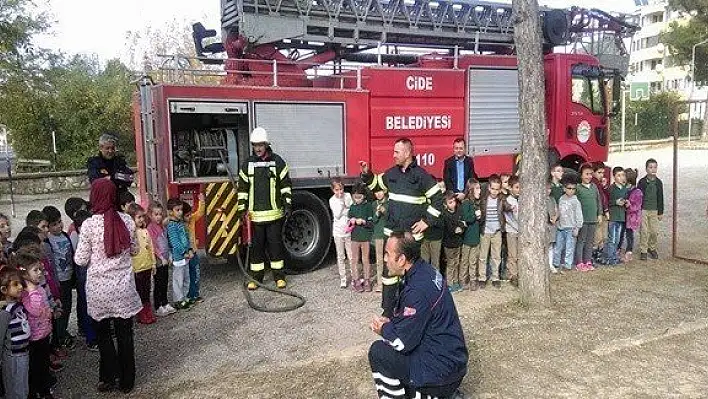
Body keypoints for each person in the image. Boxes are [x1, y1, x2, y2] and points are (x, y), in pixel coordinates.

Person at [368, 232, 467, 399]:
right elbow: (414, 320)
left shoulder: (417, 292)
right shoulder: (426, 271)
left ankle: (436, 394)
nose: (385, 259)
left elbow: (402, 343)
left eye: (388, 254)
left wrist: (383, 329)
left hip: (442, 373)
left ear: (402, 259)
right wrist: (392, 322)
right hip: (451, 362)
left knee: (379, 352)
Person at [360, 137, 444, 317]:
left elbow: (438, 200)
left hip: (410, 238)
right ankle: (388, 311)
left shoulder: (422, 176)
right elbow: (376, 184)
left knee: (409, 274)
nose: (394, 155)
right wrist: (367, 174)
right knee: (389, 274)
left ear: (407, 153)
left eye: (397, 152)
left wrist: (426, 222)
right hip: (391, 235)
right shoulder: (392, 173)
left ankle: (411, 310)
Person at [74, 178, 142, 394]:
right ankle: (127, 380)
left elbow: (81, 260)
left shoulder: (89, 225)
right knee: (125, 334)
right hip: (123, 288)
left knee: (104, 335)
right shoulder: (128, 221)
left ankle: (108, 377)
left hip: (99, 290)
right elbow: (135, 251)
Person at [237, 127, 292, 290]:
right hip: (255, 217)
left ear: (266, 144)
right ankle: (256, 278)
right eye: (255, 145)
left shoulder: (278, 162)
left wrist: (287, 204)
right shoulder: (248, 164)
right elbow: (242, 189)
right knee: (256, 250)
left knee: (276, 248)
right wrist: (242, 209)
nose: (258, 148)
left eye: (261, 145)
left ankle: (279, 277)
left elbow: (286, 186)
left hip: (275, 216)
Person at [15, 247, 54, 399]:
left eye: (40, 269)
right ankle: (34, 392)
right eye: (36, 270)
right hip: (33, 338)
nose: (40, 273)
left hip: (44, 333)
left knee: (44, 365)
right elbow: (35, 311)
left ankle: (45, 391)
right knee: (34, 368)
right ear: (24, 273)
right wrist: (33, 291)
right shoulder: (26, 293)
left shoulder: (38, 288)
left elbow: (44, 307)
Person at [42, 205, 76, 350]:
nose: (58, 226)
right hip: (58, 281)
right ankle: (58, 337)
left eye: (59, 222)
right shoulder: (48, 241)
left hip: (68, 277)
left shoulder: (65, 235)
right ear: (48, 227)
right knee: (59, 309)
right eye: (54, 224)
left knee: (68, 307)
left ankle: (63, 331)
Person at [0, 266, 31, 399]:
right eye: (15, 284)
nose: (20, 287)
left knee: (22, 386)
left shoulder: (18, 306)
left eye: (20, 283)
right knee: (14, 389)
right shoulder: (5, 312)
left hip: (24, 353)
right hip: (12, 357)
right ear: (4, 289)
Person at [71, 210, 97, 350]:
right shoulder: (79, 239)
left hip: (92, 275)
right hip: (83, 275)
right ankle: (91, 337)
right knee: (86, 305)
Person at [127, 204, 157, 324]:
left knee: (146, 290)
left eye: (142, 217)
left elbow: (151, 248)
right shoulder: (130, 234)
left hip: (147, 266)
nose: (141, 220)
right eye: (139, 217)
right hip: (136, 268)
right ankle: (141, 314)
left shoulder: (145, 231)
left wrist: (153, 263)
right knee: (139, 292)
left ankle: (148, 311)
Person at [477, 175, 506, 288]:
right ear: (489, 188)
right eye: (493, 188)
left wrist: (512, 207)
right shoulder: (484, 200)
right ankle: (482, 277)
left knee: (496, 255)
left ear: (500, 189)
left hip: (497, 231)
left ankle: (495, 277)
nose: (494, 191)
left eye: (497, 189)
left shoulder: (501, 199)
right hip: (486, 231)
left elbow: (506, 207)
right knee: (483, 255)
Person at [147, 202, 175, 317]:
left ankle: (165, 302)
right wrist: (161, 257)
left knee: (165, 282)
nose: (158, 217)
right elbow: (153, 245)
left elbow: (166, 242)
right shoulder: (150, 228)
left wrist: (169, 256)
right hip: (158, 260)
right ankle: (158, 306)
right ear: (150, 215)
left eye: (160, 214)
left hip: (165, 259)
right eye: (156, 214)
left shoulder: (162, 226)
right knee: (158, 283)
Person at [165, 198, 192, 310]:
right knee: (178, 280)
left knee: (186, 278)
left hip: (185, 256)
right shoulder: (171, 226)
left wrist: (190, 249)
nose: (180, 212)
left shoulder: (180, 223)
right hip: (178, 257)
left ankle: (184, 297)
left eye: (181, 209)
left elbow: (186, 237)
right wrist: (183, 252)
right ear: (171, 212)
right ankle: (178, 300)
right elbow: (175, 242)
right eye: (178, 210)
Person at [575, 163, 602, 271]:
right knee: (581, 240)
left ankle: (588, 261)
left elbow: (598, 201)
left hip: (593, 219)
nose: (589, 176)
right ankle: (579, 262)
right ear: (581, 175)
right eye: (586, 174)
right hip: (582, 220)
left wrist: (599, 214)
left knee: (590, 241)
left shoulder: (594, 187)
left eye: (591, 174)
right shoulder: (578, 188)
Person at [553, 175, 583, 271]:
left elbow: (579, 215)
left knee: (569, 248)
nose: (571, 190)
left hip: (571, 228)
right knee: (558, 246)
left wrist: (577, 228)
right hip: (561, 227)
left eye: (574, 189)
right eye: (569, 188)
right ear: (564, 188)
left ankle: (568, 264)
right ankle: (556, 262)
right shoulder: (561, 199)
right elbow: (558, 211)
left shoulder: (575, 201)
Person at [348, 182, 374, 292]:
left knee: (365, 259)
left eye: (360, 197)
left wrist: (363, 222)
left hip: (365, 237)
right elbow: (349, 222)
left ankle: (367, 280)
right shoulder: (352, 207)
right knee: (354, 259)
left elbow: (371, 223)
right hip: (354, 237)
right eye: (355, 197)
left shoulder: (368, 207)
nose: (357, 199)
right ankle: (356, 280)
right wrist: (351, 221)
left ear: (364, 196)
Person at [329, 178, 354, 288]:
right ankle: (343, 279)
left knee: (351, 256)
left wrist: (346, 207)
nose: (340, 192)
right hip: (338, 232)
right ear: (333, 190)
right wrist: (343, 204)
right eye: (337, 190)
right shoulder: (332, 200)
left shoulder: (348, 195)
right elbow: (338, 214)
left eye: (341, 189)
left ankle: (354, 277)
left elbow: (352, 209)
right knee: (341, 256)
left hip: (348, 231)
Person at [638, 158, 664, 260]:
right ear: (646, 169)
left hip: (654, 210)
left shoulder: (658, 183)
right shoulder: (642, 182)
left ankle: (652, 247)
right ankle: (643, 250)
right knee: (644, 231)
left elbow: (660, 198)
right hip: (643, 210)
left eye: (655, 167)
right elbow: (638, 196)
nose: (653, 169)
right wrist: (638, 210)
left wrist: (660, 212)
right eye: (650, 167)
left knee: (654, 231)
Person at [182, 194, 205, 303]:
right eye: (187, 215)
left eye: (190, 214)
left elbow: (200, 213)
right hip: (185, 254)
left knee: (195, 274)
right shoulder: (179, 225)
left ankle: (195, 295)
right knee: (186, 276)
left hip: (194, 253)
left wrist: (202, 201)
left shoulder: (191, 220)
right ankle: (187, 296)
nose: (189, 216)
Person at [442, 191, 465, 293]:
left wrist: (460, 227)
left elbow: (462, 223)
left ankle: (455, 281)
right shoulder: (445, 215)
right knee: (451, 263)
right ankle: (450, 283)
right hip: (449, 244)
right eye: (450, 202)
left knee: (456, 262)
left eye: (454, 201)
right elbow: (450, 229)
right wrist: (457, 228)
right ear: (445, 204)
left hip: (458, 242)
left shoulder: (458, 211)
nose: (453, 204)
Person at [461, 179, 481, 290]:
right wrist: (475, 215)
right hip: (467, 238)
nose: (480, 191)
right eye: (477, 188)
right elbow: (466, 218)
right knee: (465, 261)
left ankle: (473, 280)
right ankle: (464, 280)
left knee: (473, 261)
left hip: (475, 238)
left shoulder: (476, 202)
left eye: (480, 188)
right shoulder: (466, 203)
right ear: (471, 190)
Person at [605, 167, 628, 266]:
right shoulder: (611, 189)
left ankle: (615, 256)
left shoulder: (624, 189)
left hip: (621, 217)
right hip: (613, 217)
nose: (621, 177)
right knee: (612, 239)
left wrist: (626, 203)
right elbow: (606, 202)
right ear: (614, 177)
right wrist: (615, 202)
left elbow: (626, 200)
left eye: (622, 175)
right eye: (618, 175)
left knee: (618, 239)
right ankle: (611, 258)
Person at [371, 181, 388, 293]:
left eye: (380, 191)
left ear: (385, 191)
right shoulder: (374, 204)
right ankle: (379, 283)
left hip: (387, 235)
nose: (378, 194)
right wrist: (376, 214)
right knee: (379, 260)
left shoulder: (390, 203)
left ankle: (389, 281)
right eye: (376, 192)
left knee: (389, 258)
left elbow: (391, 218)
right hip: (378, 235)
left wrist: (385, 212)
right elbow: (374, 220)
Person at [504, 176, 521, 287]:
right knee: (512, 254)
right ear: (510, 188)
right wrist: (517, 228)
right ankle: (512, 275)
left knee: (519, 254)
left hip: (520, 231)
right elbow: (508, 218)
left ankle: (518, 273)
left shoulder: (521, 199)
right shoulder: (508, 201)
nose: (519, 190)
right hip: (512, 231)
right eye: (517, 187)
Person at [623, 168, 642, 263]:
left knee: (629, 235)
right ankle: (619, 248)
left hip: (631, 218)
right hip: (623, 216)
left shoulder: (637, 192)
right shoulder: (624, 189)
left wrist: (629, 205)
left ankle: (629, 251)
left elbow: (637, 207)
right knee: (622, 233)